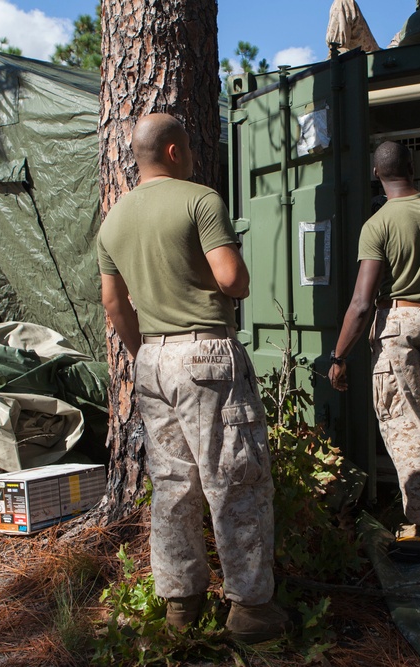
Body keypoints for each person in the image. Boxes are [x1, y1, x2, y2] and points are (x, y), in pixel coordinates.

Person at [97, 113, 289, 643]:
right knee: (235, 480)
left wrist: (147, 354)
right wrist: (237, 273)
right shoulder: (199, 200)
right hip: (207, 353)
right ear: (176, 152)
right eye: (190, 148)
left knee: (173, 484)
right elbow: (233, 280)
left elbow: (115, 306)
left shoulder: (112, 221)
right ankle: (250, 610)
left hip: (153, 359)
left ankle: (181, 604)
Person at [328, 140, 420, 554]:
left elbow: (361, 302)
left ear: (376, 173)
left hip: (398, 322)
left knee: (406, 428)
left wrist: (338, 356)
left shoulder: (378, 223)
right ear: (414, 167)